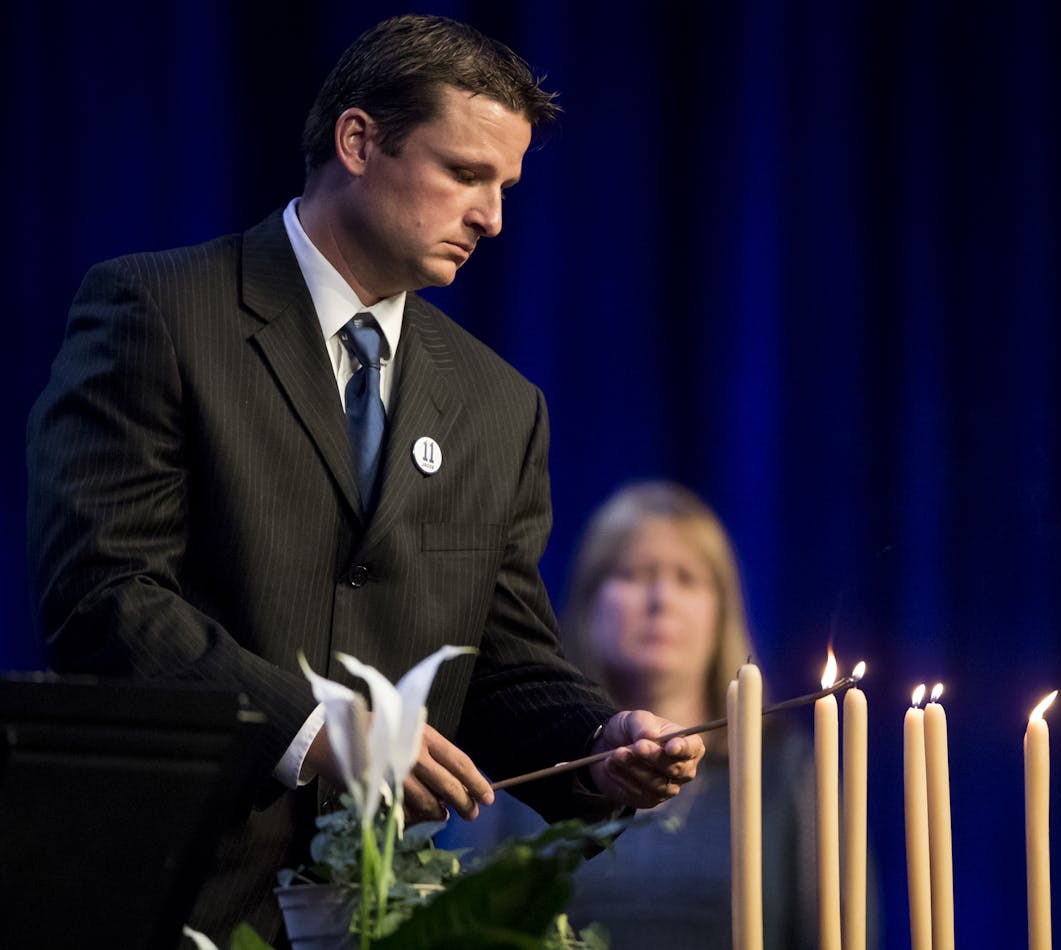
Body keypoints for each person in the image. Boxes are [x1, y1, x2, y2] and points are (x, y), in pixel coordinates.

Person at [25, 15, 702, 942]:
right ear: (358, 141)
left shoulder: (502, 407)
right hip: (161, 902)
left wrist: (597, 746)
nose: (493, 218)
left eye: (505, 187)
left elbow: (501, 666)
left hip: (381, 917)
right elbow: (101, 597)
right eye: (465, 174)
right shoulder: (159, 313)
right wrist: (313, 731)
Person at [448, 481, 834, 949]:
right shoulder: (519, 759)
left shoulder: (783, 767)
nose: (660, 601)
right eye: (633, 574)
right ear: (590, 604)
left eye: (687, 579)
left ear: (722, 612)